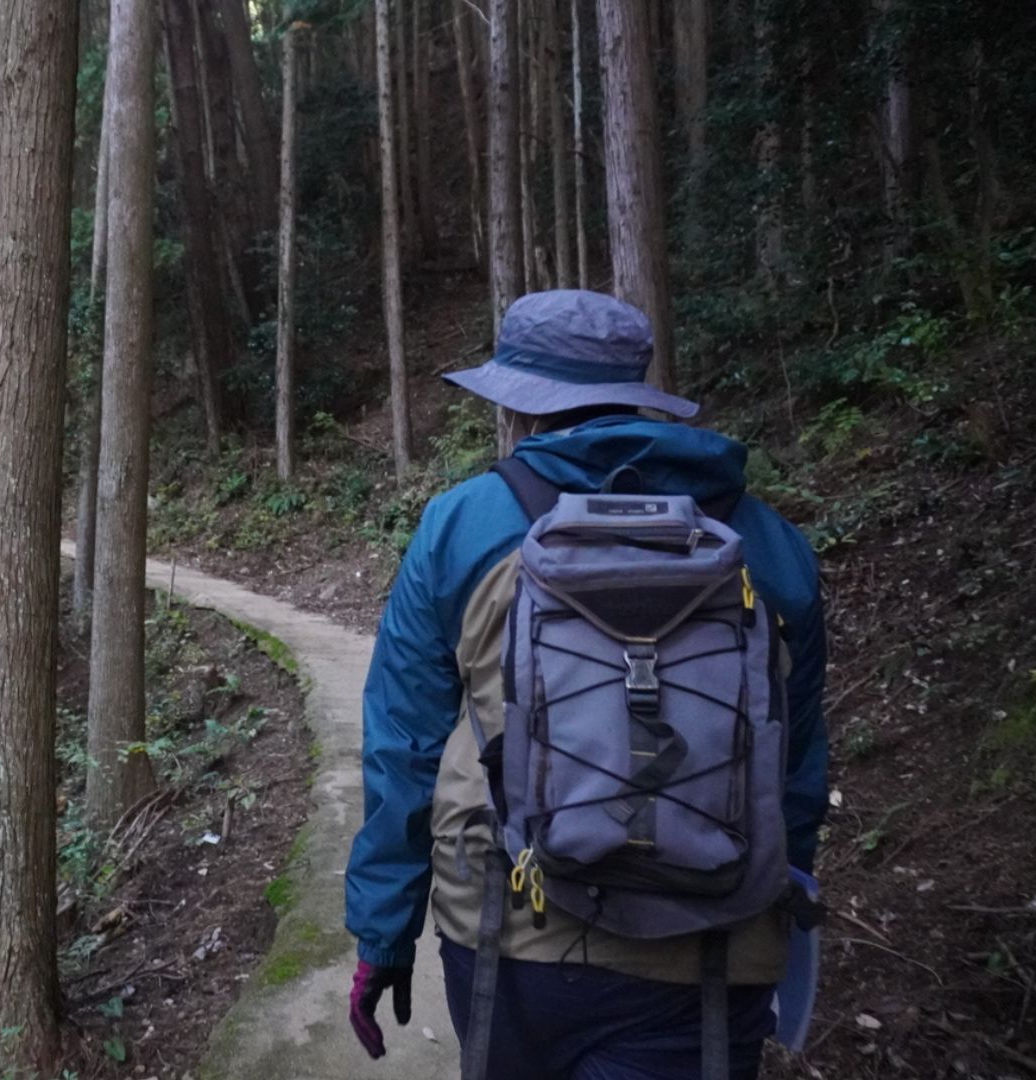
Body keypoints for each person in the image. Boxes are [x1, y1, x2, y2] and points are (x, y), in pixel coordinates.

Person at [343, 291, 829, 1078]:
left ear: (519, 404)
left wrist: (383, 934)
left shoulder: (462, 525)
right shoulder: (766, 543)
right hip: (710, 943)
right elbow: (796, 771)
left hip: (508, 931)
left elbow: (404, 750)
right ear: (637, 391)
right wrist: (780, 896)